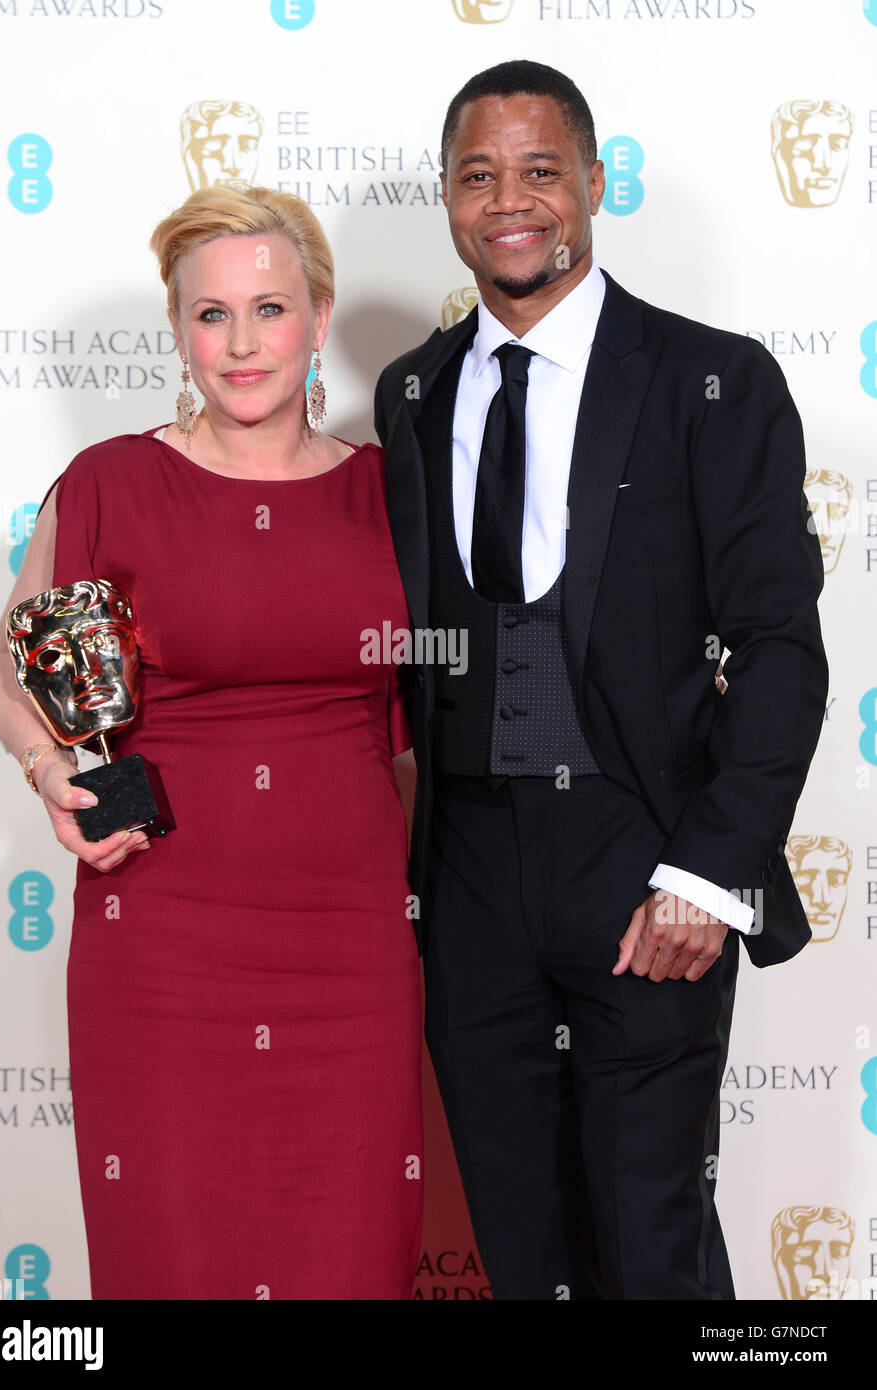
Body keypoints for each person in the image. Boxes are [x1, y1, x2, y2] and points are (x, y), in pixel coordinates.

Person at [374, 60, 828, 1300]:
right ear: (450, 201)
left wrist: (705, 875)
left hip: (644, 864)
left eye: (537, 170)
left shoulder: (708, 382)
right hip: (469, 876)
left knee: (649, 1237)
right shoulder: (411, 392)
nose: (508, 201)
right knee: (523, 1246)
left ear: (590, 182)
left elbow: (781, 648)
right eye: (478, 175)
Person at [0, 184, 422, 1300]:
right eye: (211, 314)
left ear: (319, 318)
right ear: (178, 330)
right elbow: (8, 658)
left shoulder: (390, 493)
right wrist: (48, 771)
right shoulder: (112, 484)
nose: (241, 343)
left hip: (355, 948)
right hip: (163, 941)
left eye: (269, 309)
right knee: (174, 1262)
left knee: (349, 1262)